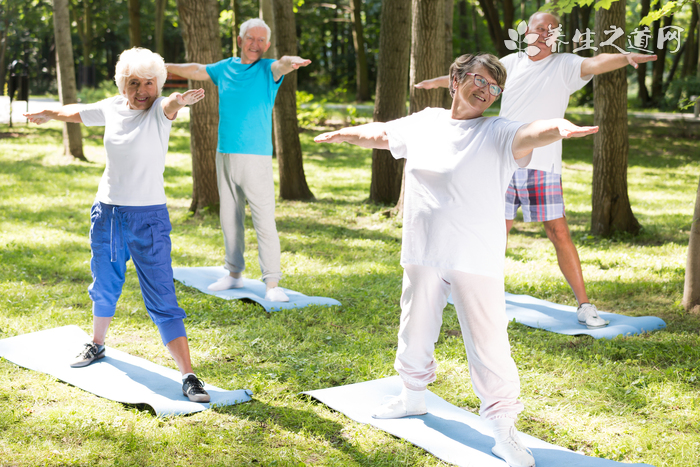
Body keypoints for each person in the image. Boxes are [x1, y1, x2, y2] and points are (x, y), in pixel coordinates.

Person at [315, 53, 598, 467]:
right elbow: (380, 134)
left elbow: (532, 131)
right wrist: (345, 133)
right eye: (480, 81)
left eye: (495, 88)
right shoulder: (426, 121)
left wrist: (559, 127)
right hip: (423, 249)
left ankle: (503, 429)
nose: (486, 92)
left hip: (474, 256)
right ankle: (412, 396)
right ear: (456, 79)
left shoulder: (499, 131)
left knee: (488, 343)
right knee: (415, 326)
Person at [415, 12, 657, 329]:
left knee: (558, 232)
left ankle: (585, 305)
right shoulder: (509, 64)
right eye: (540, 28)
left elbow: (597, 63)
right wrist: (434, 82)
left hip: (542, 166)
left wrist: (624, 57)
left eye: (553, 30)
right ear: (526, 31)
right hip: (501, 160)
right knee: (495, 230)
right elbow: (472, 79)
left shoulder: (566, 65)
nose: (546, 34)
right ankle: (472, 289)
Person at [24, 47, 211, 403]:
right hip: (108, 213)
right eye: (134, 83)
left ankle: (188, 374)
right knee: (105, 281)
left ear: (158, 84)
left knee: (161, 294)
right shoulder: (112, 106)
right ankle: (97, 344)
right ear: (122, 84)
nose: (142, 89)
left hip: (149, 218)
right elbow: (76, 112)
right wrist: (49, 112)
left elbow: (170, 105)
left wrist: (179, 100)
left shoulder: (159, 109)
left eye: (149, 83)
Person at [165, 18, 311, 302]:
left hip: (254, 157)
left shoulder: (268, 70)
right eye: (250, 38)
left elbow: (280, 64)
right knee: (229, 217)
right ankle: (234, 274)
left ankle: (272, 283)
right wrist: (163, 66)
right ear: (240, 39)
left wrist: (290, 61)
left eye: (261, 41)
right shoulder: (225, 68)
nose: (255, 45)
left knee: (263, 219)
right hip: (224, 153)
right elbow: (196, 69)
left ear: (266, 45)